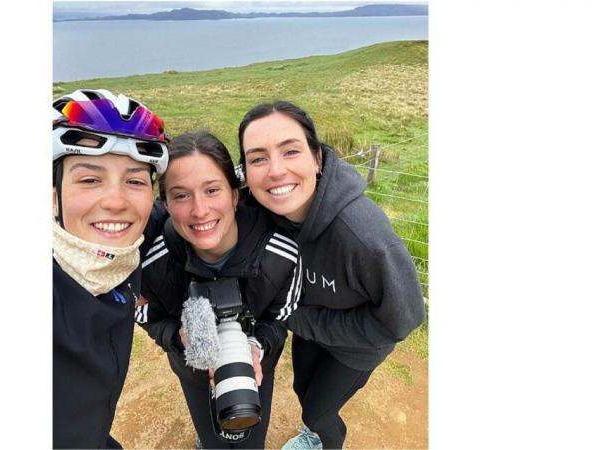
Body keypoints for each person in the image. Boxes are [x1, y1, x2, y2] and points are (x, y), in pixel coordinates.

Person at [238, 101, 426, 449]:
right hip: (311, 330)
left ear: (317, 158)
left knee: (317, 412)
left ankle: (325, 440)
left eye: (290, 151)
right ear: (245, 172)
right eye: (258, 158)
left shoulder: (364, 238)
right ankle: (315, 433)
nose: (275, 171)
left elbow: (405, 320)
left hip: (358, 347)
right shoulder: (264, 215)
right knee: (302, 389)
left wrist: (296, 317)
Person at [138, 131, 302, 449]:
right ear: (166, 204)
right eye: (181, 195)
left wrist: (256, 346)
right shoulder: (152, 263)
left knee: (251, 443)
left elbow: (284, 315)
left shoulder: (281, 253)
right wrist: (178, 337)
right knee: (213, 441)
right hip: (193, 374)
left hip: (255, 370)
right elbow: (146, 315)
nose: (200, 210)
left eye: (212, 190)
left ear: (235, 194)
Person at [52, 88, 170, 449]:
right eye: (90, 179)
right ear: (51, 196)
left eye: (135, 181)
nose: (117, 202)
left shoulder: (124, 253)